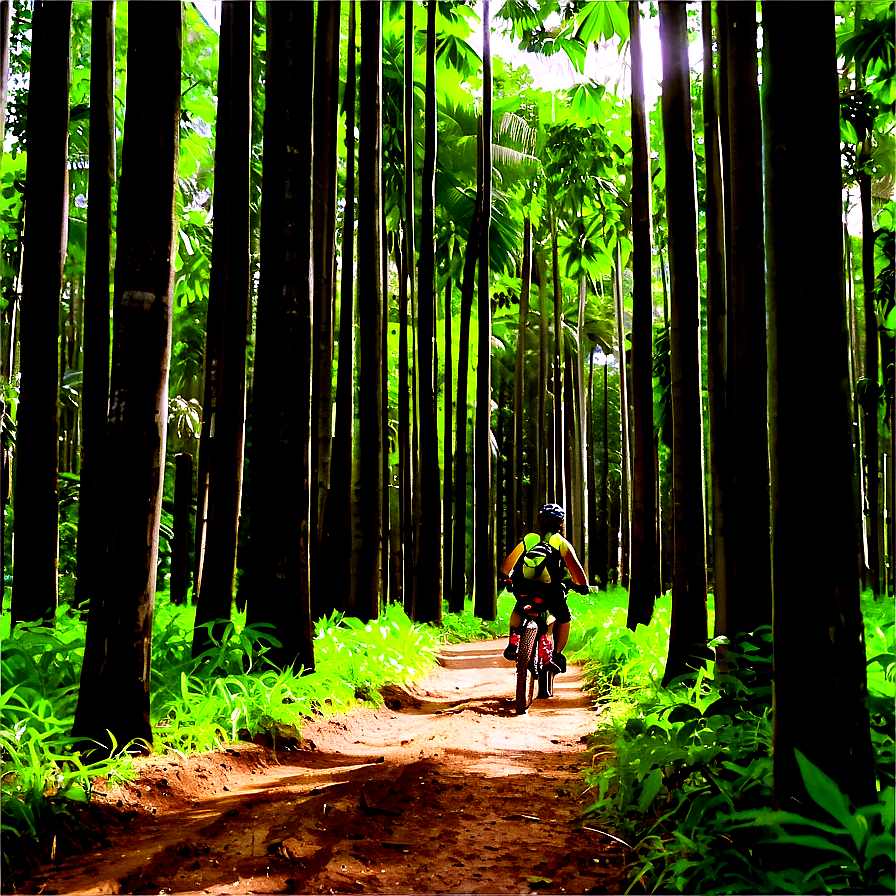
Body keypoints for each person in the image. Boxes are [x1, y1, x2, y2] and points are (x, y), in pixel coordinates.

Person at [499, 503, 589, 674]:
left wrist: (506, 576)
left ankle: (513, 642)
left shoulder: (529, 539)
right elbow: (576, 570)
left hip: (524, 587)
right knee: (563, 617)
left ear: (540, 522)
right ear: (560, 523)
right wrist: (582, 586)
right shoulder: (560, 542)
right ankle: (556, 655)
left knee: (519, 607)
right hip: (550, 591)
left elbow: (506, 566)